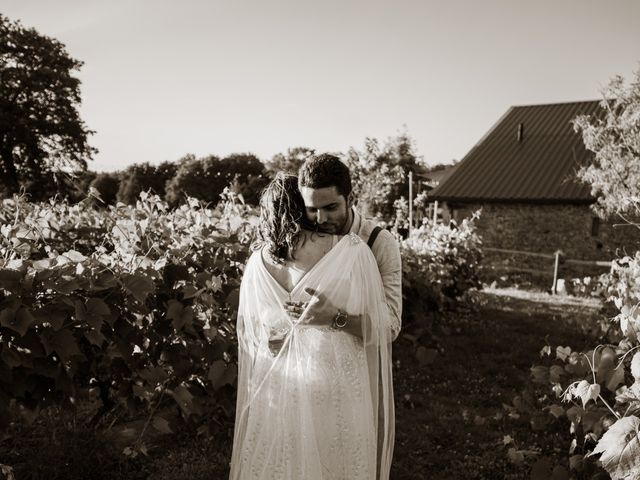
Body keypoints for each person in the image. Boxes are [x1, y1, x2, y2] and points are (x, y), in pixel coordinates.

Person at [229, 166, 401, 480]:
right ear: (301, 206)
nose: (321, 219)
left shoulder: (373, 244)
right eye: (312, 210)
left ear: (351, 198)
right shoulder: (349, 251)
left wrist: (332, 317)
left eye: (330, 208)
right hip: (312, 381)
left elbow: (388, 327)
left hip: (334, 376)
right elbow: (263, 329)